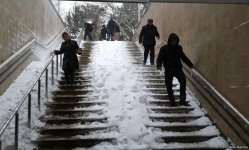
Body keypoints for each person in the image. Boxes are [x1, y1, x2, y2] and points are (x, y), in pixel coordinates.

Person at [156, 33, 193, 107]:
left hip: (178, 69)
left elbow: (183, 57)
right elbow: (159, 58)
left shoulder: (179, 48)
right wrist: (159, 65)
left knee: (183, 81)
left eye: (175, 41)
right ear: (169, 41)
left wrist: (190, 64)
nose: (174, 42)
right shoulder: (164, 48)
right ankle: (172, 102)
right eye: (172, 41)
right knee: (169, 86)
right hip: (169, 70)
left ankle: (183, 100)